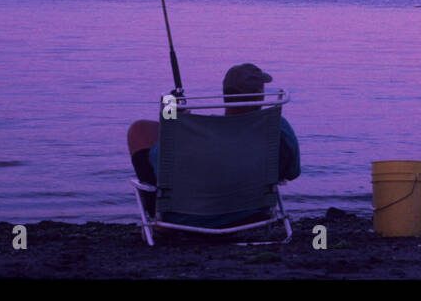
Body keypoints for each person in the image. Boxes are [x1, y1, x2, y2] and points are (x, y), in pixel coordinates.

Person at [127, 63, 300, 227]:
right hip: (252, 216)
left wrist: (175, 120)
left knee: (139, 129)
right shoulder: (275, 127)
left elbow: (160, 165)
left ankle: (157, 214)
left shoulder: (197, 136)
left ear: (225, 94)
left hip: (187, 219)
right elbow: (292, 172)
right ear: (259, 94)